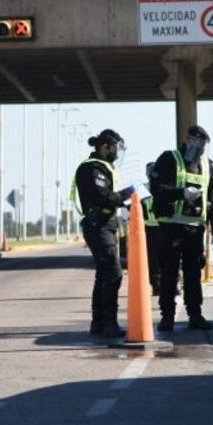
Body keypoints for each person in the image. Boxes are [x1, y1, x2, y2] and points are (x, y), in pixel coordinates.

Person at [151, 125, 213, 332]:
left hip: (194, 229)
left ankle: (195, 315)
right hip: (171, 226)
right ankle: (167, 317)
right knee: (169, 273)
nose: (200, 148)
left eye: (203, 145)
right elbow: (156, 188)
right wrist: (181, 193)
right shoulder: (169, 159)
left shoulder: (208, 166)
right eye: (197, 143)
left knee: (193, 274)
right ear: (188, 140)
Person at [72, 129, 134, 337]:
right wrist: (129, 193)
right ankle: (109, 323)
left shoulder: (106, 167)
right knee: (113, 273)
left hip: (107, 225)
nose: (117, 153)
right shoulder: (92, 168)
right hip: (97, 225)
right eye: (115, 148)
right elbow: (103, 197)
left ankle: (98, 323)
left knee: (103, 274)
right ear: (105, 146)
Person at [141, 162, 161, 295]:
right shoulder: (143, 189)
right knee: (157, 260)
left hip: (154, 228)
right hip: (155, 227)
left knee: (155, 260)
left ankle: (159, 286)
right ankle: (158, 286)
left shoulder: (143, 189)